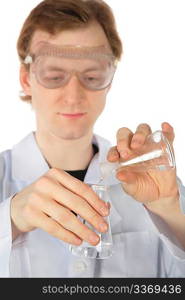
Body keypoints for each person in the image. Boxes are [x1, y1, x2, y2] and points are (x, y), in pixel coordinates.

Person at [0, 0, 185, 278]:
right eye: (54, 75)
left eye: (92, 75)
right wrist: (9, 220)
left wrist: (171, 215)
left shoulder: (154, 187)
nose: (74, 96)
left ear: (109, 79)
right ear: (27, 78)